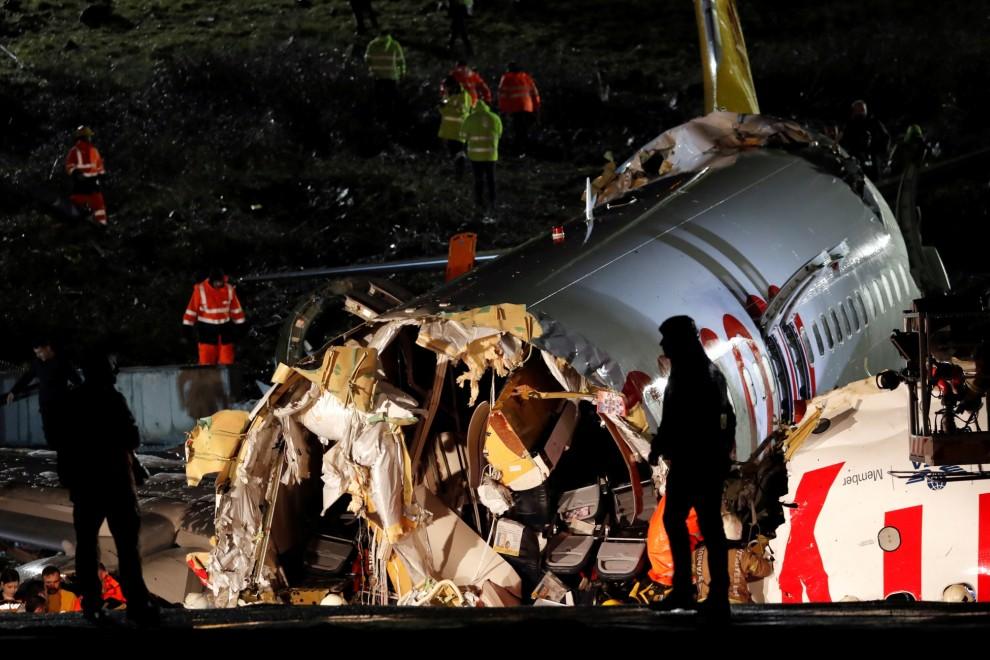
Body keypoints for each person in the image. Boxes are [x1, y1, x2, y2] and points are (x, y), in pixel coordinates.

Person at [649, 315, 734, 620]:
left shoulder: (697, 375)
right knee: (690, 524)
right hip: (698, 461)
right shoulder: (696, 372)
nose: (663, 344)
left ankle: (705, 594)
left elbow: (682, 420)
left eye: (667, 338)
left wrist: (662, 445)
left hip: (697, 462)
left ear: (682, 339)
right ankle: (694, 591)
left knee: (702, 526)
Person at [64, 354, 157, 624]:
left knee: (86, 547)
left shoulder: (74, 401)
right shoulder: (113, 399)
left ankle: (91, 604)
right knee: (127, 547)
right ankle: (137, 603)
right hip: (116, 483)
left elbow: (64, 443)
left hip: (86, 486)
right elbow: (132, 437)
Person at [4, 336, 81, 452]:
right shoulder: (37, 363)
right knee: (49, 432)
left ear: (48, 348)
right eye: (36, 353)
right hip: (45, 404)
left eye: (40, 352)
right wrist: (13, 391)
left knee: (62, 432)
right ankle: (54, 456)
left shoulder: (62, 361)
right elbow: (26, 378)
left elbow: (77, 381)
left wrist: (71, 394)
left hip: (61, 404)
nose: (38, 355)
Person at [182, 268, 247, 365]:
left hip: (225, 330)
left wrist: (241, 325)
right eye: (217, 282)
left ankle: (225, 379)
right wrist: (187, 327)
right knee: (206, 362)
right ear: (211, 281)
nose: (219, 284)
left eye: (220, 282)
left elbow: (236, 309)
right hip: (206, 330)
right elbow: (191, 310)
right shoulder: (200, 290)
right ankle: (208, 379)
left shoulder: (229, 289)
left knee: (227, 361)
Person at [460, 99, 502, 215]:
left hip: (475, 155)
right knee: (491, 179)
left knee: (478, 179)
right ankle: (493, 201)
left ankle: (479, 202)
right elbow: (499, 133)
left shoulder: (470, 119)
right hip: (491, 155)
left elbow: (462, 136)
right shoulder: (495, 118)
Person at [65, 126, 108, 226]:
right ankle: (101, 224)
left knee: (77, 203)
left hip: (82, 182)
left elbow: (69, 166)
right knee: (98, 204)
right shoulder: (93, 150)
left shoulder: (75, 151)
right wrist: (102, 176)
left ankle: (80, 221)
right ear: (85, 137)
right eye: (89, 136)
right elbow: (100, 168)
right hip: (90, 183)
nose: (90, 138)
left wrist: (76, 174)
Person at [840, 100, 890, 181]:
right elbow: (844, 139)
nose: (860, 112)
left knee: (873, 178)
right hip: (855, 157)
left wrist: (881, 154)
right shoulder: (850, 124)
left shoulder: (874, 122)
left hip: (872, 157)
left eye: (862, 110)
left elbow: (886, 138)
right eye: (857, 110)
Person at [364, 31, 406, 127]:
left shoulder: (372, 44)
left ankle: (379, 121)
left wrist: (373, 67)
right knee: (391, 100)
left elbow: (367, 59)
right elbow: (400, 61)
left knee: (379, 100)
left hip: (377, 77)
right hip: (391, 77)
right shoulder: (395, 45)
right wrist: (402, 73)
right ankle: (391, 122)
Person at [497, 62, 540, 154]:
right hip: (528, 107)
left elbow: (502, 94)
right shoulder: (526, 77)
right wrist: (536, 107)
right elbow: (535, 93)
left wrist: (502, 109)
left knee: (518, 129)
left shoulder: (506, 78)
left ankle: (518, 150)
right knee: (524, 129)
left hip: (515, 107)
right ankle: (525, 149)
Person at [438, 76, 471, 179]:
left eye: (446, 87)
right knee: (453, 152)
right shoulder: (448, 95)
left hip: (458, 130)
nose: (445, 90)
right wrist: (442, 107)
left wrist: (445, 109)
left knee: (458, 152)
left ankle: (460, 174)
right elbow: (442, 108)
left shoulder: (463, 95)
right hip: (448, 130)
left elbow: (461, 111)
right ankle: (457, 173)